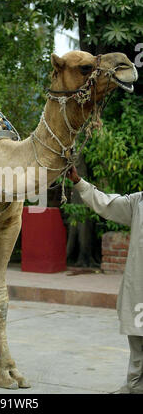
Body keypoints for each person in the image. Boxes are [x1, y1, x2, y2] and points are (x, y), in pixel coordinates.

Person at [67, 165, 143, 393]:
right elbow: (107, 203)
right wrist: (78, 181)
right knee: (138, 340)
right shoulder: (138, 202)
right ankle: (134, 387)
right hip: (140, 288)